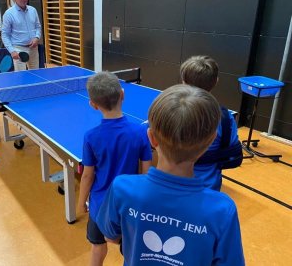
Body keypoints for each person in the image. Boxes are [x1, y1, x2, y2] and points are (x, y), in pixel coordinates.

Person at [96, 84, 245, 266]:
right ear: (210, 142)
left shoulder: (122, 188)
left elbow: (109, 236)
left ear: (151, 138)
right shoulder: (223, 210)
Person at [77, 72, 152, 266]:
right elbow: (146, 173)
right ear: (123, 94)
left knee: (97, 246)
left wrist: (80, 203)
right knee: (130, 249)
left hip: (99, 206)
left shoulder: (91, 137)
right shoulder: (140, 132)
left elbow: (87, 176)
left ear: (93, 104)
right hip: (129, 205)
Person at [180, 55, 240, 191]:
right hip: (209, 185)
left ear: (183, 82)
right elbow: (233, 151)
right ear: (216, 81)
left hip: (175, 183)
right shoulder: (225, 117)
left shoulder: (171, 110)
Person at [1, 0, 42, 71]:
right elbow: (5, 35)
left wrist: (37, 38)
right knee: (21, 77)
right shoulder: (9, 14)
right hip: (19, 50)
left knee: (36, 76)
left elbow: (38, 27)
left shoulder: (33, 10)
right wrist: (12, 51)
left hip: (34, 48)